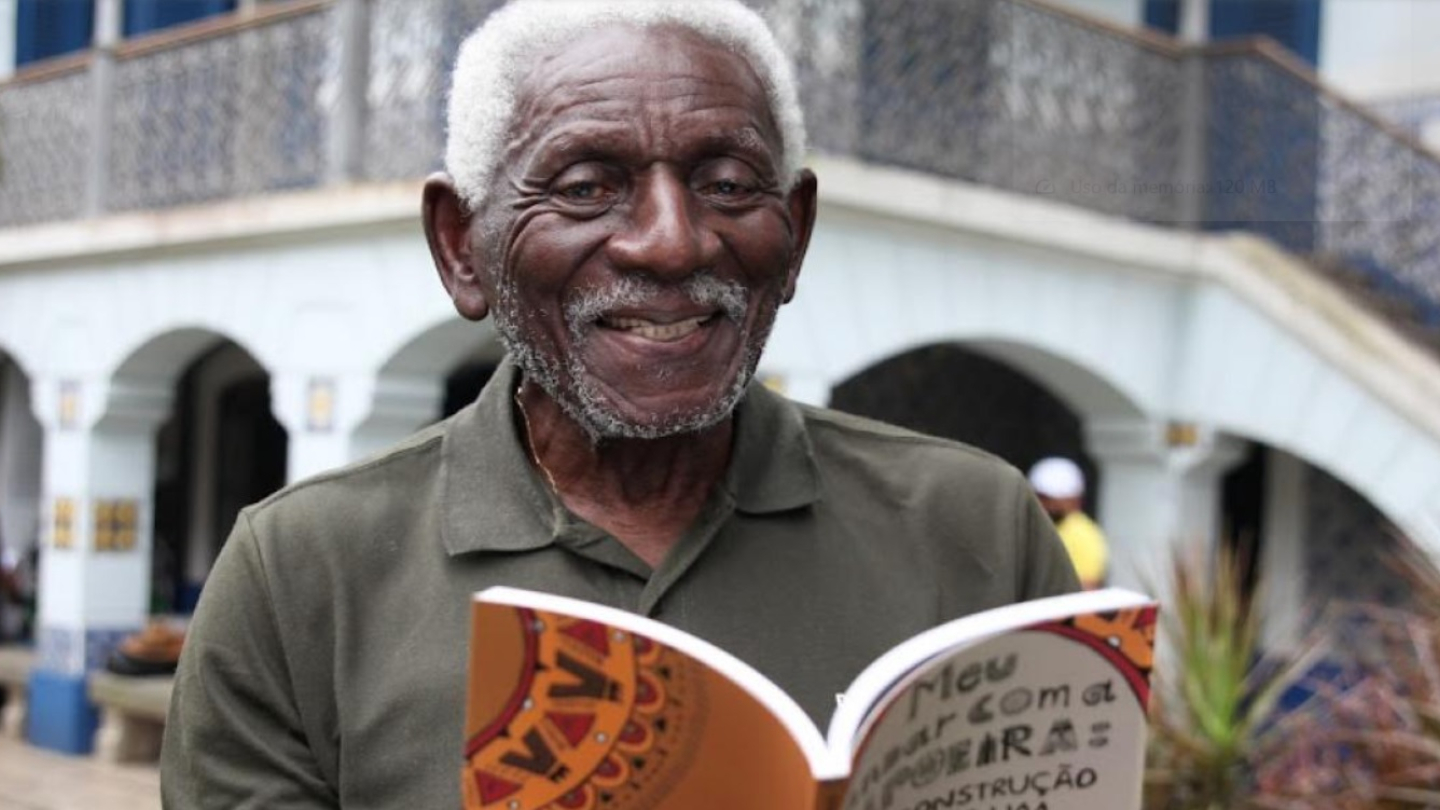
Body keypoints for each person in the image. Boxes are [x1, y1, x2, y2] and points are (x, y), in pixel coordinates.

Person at [161, 2, 1079, 806]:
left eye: (727, 184)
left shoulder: (978, 534)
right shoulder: (299, 575)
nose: (672, 244)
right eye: (585, 187)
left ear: (795, 234)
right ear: (462, 248)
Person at [1028, 456, 1109, 589]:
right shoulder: (1034, 528)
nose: (1045, 505)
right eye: (1039, 497)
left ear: (1073, 500)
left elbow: (1087, 587)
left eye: (1048, 498)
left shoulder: (1082, 534)